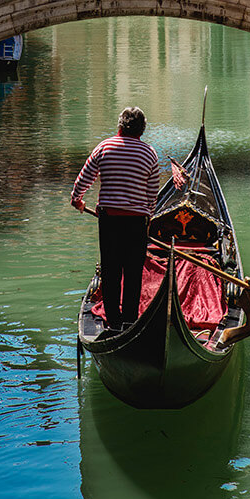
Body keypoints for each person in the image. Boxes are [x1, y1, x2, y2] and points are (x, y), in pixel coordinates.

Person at [71, 106, 159, 331]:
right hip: (137, 223)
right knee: (133, 272)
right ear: (142, 129)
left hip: (109, 221)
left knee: (111, 270)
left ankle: (113, 321)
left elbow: (84, 179)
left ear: (120, 126)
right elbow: (152, 198)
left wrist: (77, 200)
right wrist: (145, 217)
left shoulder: (104, 147)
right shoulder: (149, 153)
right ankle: (130, 320)